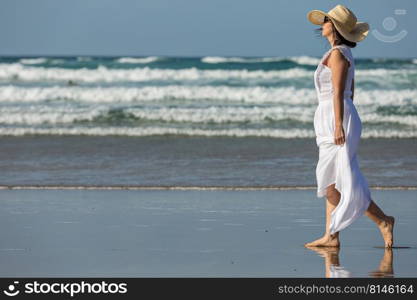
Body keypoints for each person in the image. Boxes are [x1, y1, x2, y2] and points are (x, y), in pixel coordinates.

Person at [304, 5, 395, 248]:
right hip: (334, 115)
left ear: (334, 27)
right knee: (331, 178)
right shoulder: (340, 52)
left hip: (335, 116)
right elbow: (350, 93)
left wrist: (338, 125)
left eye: (325, 21)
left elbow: (338, 93)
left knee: (336, 182)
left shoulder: (337, 54)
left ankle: (383, 221)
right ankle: (331, 236)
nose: (321, 24)